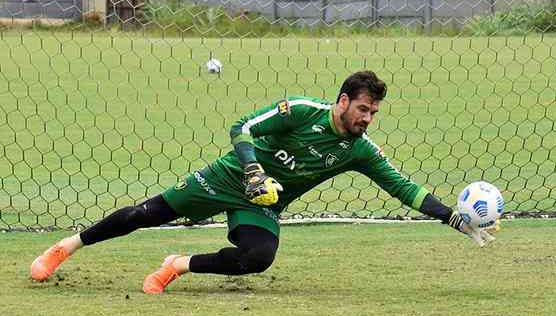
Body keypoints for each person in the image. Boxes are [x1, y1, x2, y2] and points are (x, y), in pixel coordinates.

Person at [30, 71, 497, 294]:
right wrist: (253, 170)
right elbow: (242, 129)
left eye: (374, 112)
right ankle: (66, 247)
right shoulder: (301, 112)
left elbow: (406, 189)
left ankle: (179, 264)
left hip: (264, 204)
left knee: (257, 258)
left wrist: (452, 218)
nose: (367, 118)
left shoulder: (359, 149)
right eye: (362, 109)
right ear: (341, 102)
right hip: (229, 177)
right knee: (143, 215)